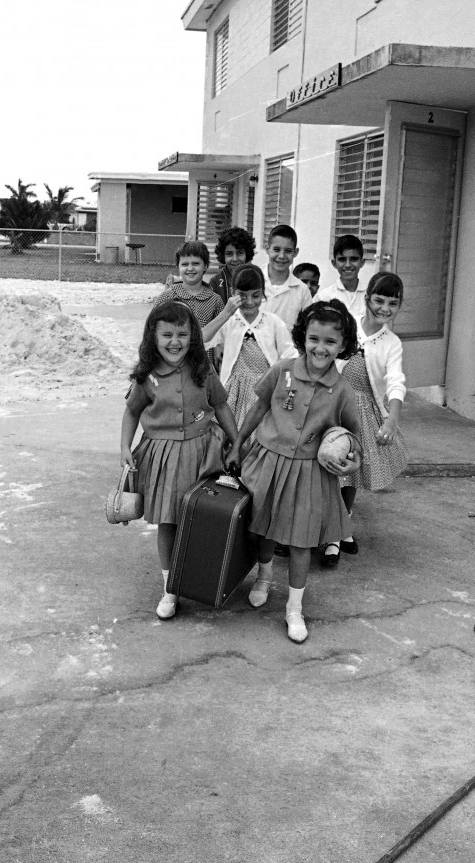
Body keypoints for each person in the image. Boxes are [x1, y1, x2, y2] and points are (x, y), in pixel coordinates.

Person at [226, 300, 361, 643]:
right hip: (269, 462)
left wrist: (352, 460)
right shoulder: (283, 370)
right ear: (303, 337)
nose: (321, 347)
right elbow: (258, 408)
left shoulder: (342, 390)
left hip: (310, 474)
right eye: (314, 338)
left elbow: (352, 437)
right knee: (264, 529)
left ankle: (294, 608)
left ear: (343, 345)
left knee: (302, 542)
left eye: (330, 342)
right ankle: (264, 576)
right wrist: (238, 442)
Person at [120, 301, 238, 621]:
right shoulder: (147, 375)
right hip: (164, 456)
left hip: (203, 452)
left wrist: (237, 442)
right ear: (152, 337)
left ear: (194, 337)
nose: (175, 342)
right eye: (167, 334)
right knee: (169, 521)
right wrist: (124, 447)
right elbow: (132, 411)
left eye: (183, 334)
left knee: (203, 516)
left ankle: (205, 578)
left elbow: (222, 405)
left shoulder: (203, 368)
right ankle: (170, 588)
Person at [337, 271, 408, 559]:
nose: (385, 309)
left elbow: (395, 380)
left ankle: (342, 526)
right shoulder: (346, 325)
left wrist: (392, 418)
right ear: (367, 299)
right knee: (323, 465)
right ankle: (317, 525)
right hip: (333, 403)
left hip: (364, 409)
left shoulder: (392, 342)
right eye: (379, 300)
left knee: (350, 471)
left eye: (393, 304)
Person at [203, 263, 296, 444]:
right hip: (232, 393)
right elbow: (202, 341)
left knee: (258, 441)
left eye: (256, 295)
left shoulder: (273, 322)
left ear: (263, 292)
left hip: (263, 393)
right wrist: (225, 313)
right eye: (242, 296)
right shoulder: (230, 321)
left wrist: (287, 390)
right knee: (227, 440)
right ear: (232, 292)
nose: (250, 302)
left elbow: (290, 357)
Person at [153, 240, 225, 357]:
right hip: (172, 362)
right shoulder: (167, 296)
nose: (190, 268)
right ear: (178, 267)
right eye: (185, 264)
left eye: (196, 264)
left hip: (203, 364)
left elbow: (221, 336)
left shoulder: (215, 300)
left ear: (205, 266)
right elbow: (153, 329)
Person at [259, 224, 312, 332]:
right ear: (267, 249)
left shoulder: (302, 290)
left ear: (295, 252)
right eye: (276, 249)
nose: (282, 256)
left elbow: (308, 327)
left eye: (288, 251)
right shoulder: (252, 280)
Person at [314, 234, 367, 319]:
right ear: (334, 263)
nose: (348, 265)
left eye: (353, 259)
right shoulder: (324, 297)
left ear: (362, 262)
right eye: (342, 259)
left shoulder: (370, 296)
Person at [208, 227, 257, 304]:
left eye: (240, 253)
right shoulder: (215, 282)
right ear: (223, 255)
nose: (235, 259)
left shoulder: (256, 278)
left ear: (247, 254)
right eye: (229, 254)